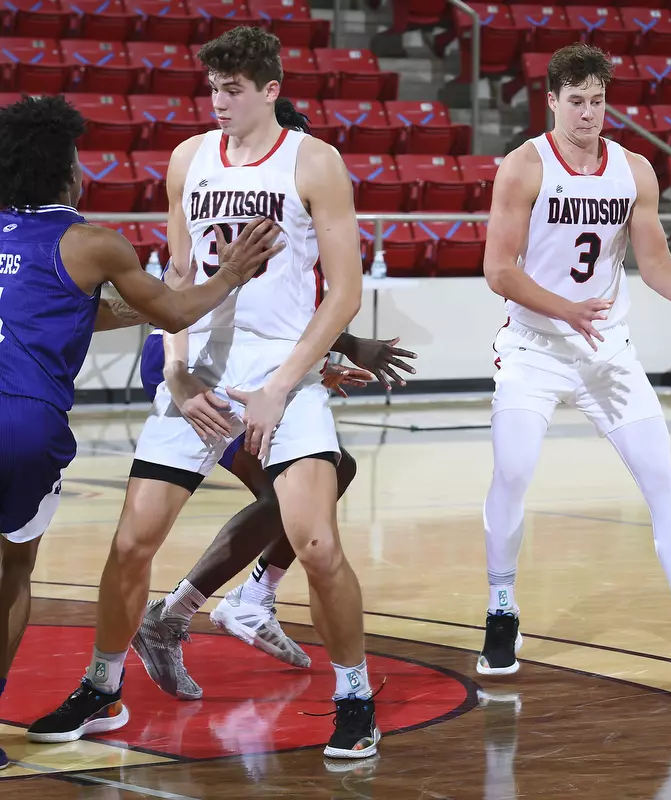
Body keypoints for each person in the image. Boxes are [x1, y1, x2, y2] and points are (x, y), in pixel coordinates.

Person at [28, 27, 379, 761]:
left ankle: (355, 698)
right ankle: (102, 687)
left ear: (271, 91)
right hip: (201, 373)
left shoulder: (315, 161)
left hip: (281, 373)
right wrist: (176, 373)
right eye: (213, 88)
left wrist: (285, 386)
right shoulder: (188, 159)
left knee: (316, 542)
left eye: (234, 89)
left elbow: (343, 294)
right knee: (131, 543)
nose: (218, 101)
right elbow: (177, 280)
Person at [0, 94, 280, 769]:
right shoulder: (90, 242)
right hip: (22, 427)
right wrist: (234, 273)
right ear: (67, 174)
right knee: (11, 572)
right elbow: (178, 310)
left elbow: (53, 310)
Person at [129, 99, 416, 703]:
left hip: (246, 358)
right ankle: (197, 609)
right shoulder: (240, 182)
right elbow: (229, 296)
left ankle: (239, 601)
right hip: (204, 361)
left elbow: (276, 308)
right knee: (293, 491)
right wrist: (336, 353)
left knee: (332, 473)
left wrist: (315, 366)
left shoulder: (297, 189)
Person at [478, 42, 671, 681]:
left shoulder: (636, 170)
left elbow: (654, 266)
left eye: (597, 101)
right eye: (577, 102)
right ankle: (501, 608)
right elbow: (498, 270)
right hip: (534, 346)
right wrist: (564, 308)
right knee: (513, 472)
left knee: (662, 478)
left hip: (605, 350)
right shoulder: (523, 167)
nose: (589, 114)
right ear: (552, 102)